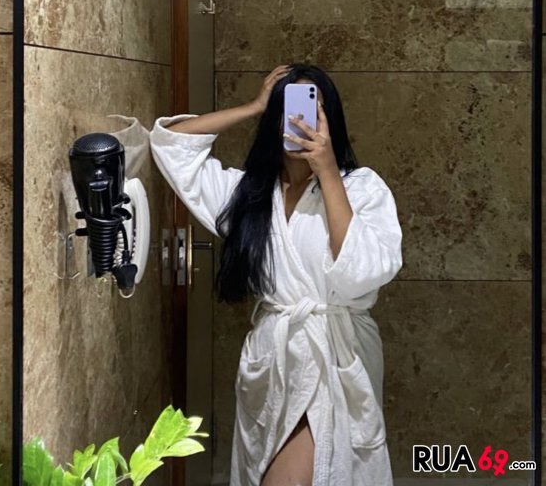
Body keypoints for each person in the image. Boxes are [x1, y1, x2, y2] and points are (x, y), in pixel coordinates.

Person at [149, 63, 403, 486]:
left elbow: (363, 273)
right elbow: (170, 143)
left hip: (336, 356)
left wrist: (326, 170)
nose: (301, 119)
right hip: (274, 361)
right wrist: (253, 106)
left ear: (330, 117)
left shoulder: (362, 187)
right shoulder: (247, 196)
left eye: (312, 107)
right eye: (289, 107)